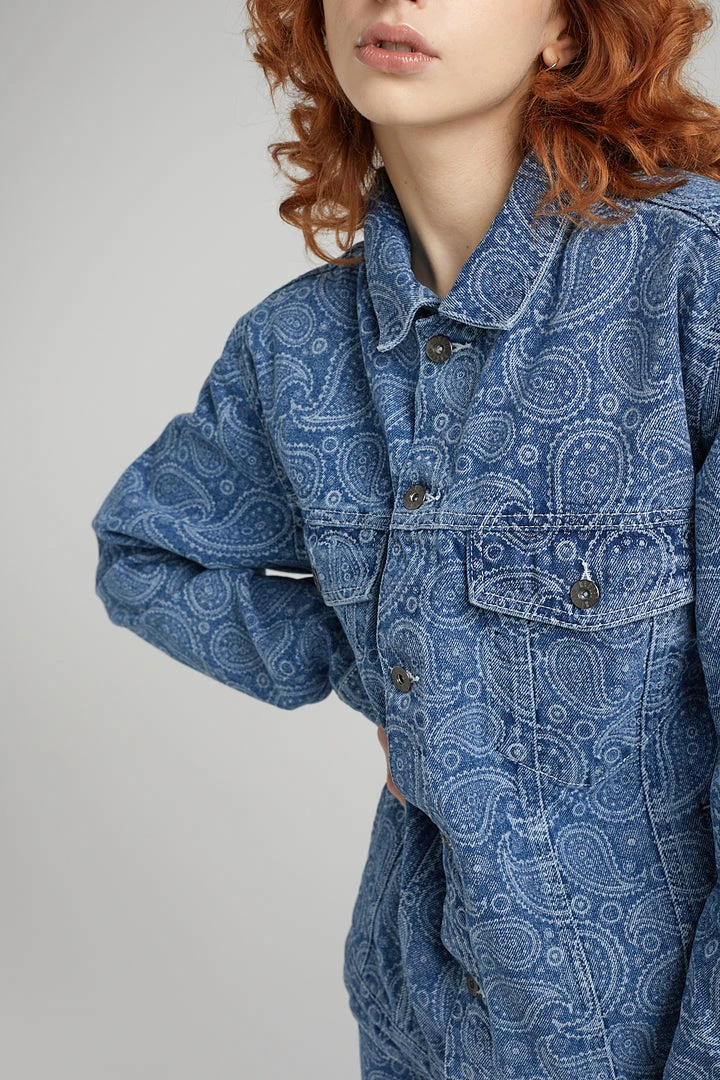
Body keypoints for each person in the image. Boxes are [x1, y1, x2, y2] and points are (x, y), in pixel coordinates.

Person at [90, 0, 720, 1076]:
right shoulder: (293, 350)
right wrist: (390, 671)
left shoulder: (692, 284)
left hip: (648, 1038)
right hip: (420, 1021)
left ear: (567, 32)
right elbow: (149, 553)